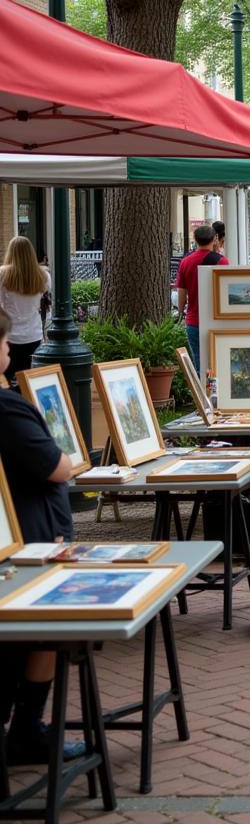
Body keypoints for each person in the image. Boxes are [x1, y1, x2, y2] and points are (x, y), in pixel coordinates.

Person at [0, 309, 85, 763]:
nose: (9, 350)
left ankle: (27, 727)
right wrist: (67, 461)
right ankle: (27, 730)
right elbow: (57, 465)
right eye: (4, 343)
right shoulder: (9, 408)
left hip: (24, 533)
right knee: (43, 633)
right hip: (31, 536)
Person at [174, 224, 228, 370]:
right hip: (216, 319)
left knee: (200, 364)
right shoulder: (221, 262)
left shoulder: (185, 262)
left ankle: (202, 391)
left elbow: (182, 292)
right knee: (218, 362)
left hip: (193, 320)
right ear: (215, 238)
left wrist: (180, 312)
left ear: (195, 239)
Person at [0, 237, 51, 388]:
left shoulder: (3, 274)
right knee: (29, 382)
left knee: (7, 382)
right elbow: (46, 300)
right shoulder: (43, 276)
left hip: (10, 337)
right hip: (33, 335)